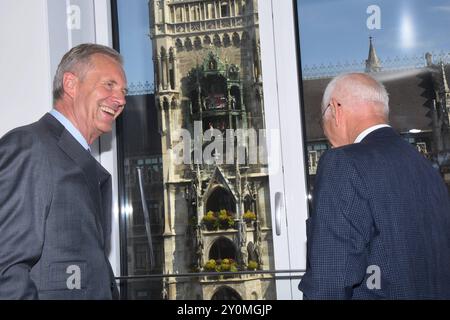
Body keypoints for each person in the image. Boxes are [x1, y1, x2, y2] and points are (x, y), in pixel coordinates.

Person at [299, 73, 450, 299]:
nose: (325, 131)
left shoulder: (343, 163)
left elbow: (329, 281)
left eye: (323, 120)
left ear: (335, 109)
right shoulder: (426, 168)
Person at [0, 43, 127, 299]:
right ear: (71, 84)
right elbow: (6, 267)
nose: (121, 100)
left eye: (124, 92)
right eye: (109, 85)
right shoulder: (30, 146)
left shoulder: (79, 161)